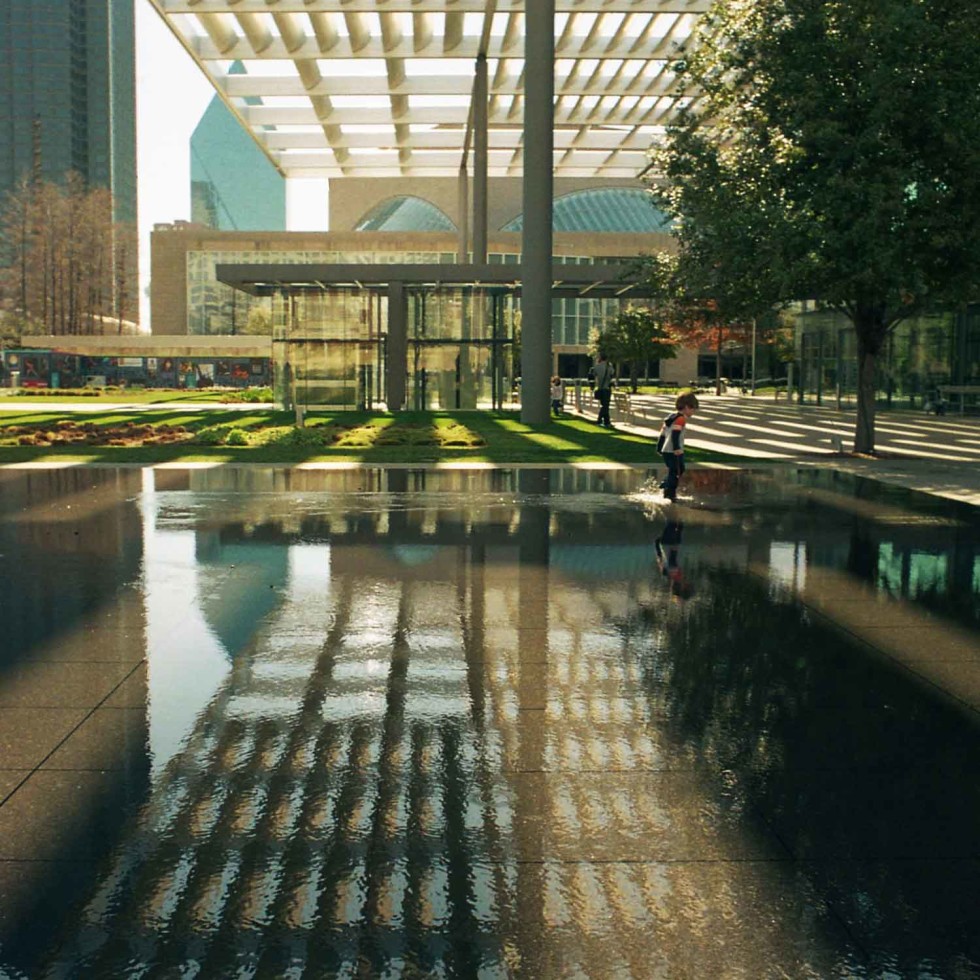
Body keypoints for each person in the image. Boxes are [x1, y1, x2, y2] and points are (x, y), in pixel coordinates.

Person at [658, 391, 699, 501]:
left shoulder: (670, 417)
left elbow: (662, 433)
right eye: (693, 409)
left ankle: (666, 486)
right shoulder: (680, 419)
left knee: (675, 470)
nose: (693, 412)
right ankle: (669, 491)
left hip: (666, 450)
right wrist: (676, 448)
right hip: (674, 450)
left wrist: (659, 447)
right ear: (686, 407)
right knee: (677, 471)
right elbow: (675, 435)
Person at [655, 518, 695, 600]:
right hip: (667, 543)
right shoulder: (669, 575)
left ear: (683, 587)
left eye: (688, 587)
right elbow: (660, 558)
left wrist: (675, 543)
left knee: (673, 521)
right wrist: (657, 545)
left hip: (670, 543)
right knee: (676, 522)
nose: (689, 583)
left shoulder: (674, 573)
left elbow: (672, 556)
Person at [592, 353, 614, 427]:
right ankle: (599, 420)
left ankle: (607, 421)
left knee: (604, 405)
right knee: (605, 406)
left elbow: (593, 374)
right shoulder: (609, 366)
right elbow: (612, 374)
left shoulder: (597, 366)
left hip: (600, 388)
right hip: (606, 388)